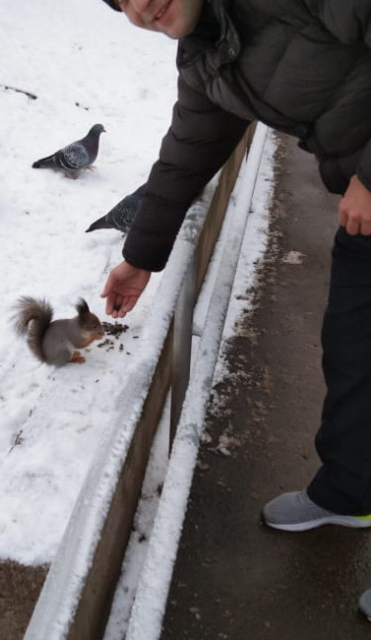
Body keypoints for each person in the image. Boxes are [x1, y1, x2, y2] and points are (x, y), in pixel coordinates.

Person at [99, 0, 371, 532]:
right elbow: (187, 152)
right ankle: (351, 491)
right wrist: (138, 259)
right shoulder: (205, 57)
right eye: (120, 1)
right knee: (354, 352)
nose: (138, 6)